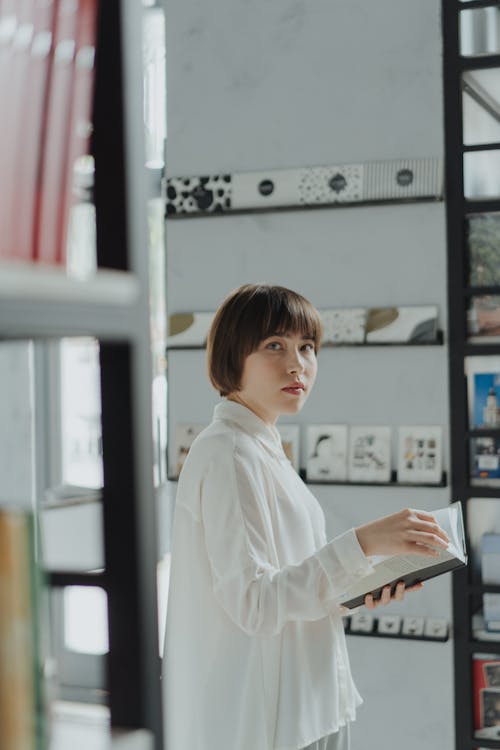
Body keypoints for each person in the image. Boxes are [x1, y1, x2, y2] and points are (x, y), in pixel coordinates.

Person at [163, 283, 450, 750]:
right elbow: (255, 603)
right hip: (270, 721)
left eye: (308, 347)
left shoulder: (261, 446)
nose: (298, 364)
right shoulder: (227, 452)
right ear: (233, 355)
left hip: (310, 703)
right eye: (274, 345)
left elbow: (292, 586)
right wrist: (362, 543)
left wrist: (360, 585)